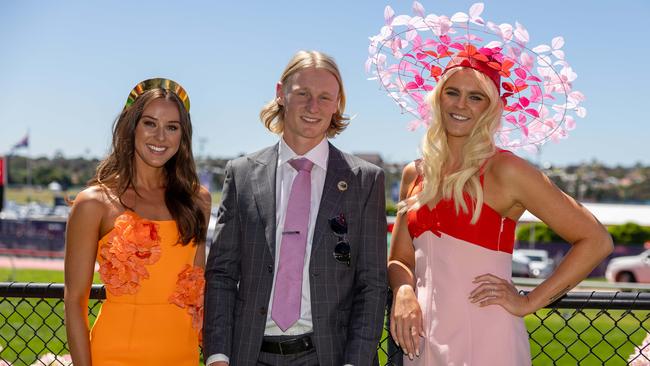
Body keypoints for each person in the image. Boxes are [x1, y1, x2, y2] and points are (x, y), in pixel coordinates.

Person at [367, 3, 614, 365]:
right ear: (437, 98)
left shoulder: (508, 171)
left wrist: (529, 301)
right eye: (452, 92)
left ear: (492, 108)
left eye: (476, 96)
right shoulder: (414, 173)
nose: (461, 105)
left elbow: (596, 240)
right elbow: (400, 258)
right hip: (421, 341)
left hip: (487, 338)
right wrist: (403, 289)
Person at [203, 50, 387, 366]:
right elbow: (221, 274)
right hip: (249, 355)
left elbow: (371, 284)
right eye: (302, 93)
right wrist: (218, 356)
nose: (313, 107)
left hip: (329, 356)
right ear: (281, 94)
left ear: (337, 104)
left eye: (325, 97)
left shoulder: (365, 181)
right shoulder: (243, 174)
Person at [64, 78, 211, 366]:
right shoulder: (94, 203)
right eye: (149, 123)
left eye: (172, 127)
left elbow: (199, 290)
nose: (160, 137)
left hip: (183, 356)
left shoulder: (198, 200)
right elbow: (74, 302)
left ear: (183, 136)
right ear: (131, 126)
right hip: (116, 356)